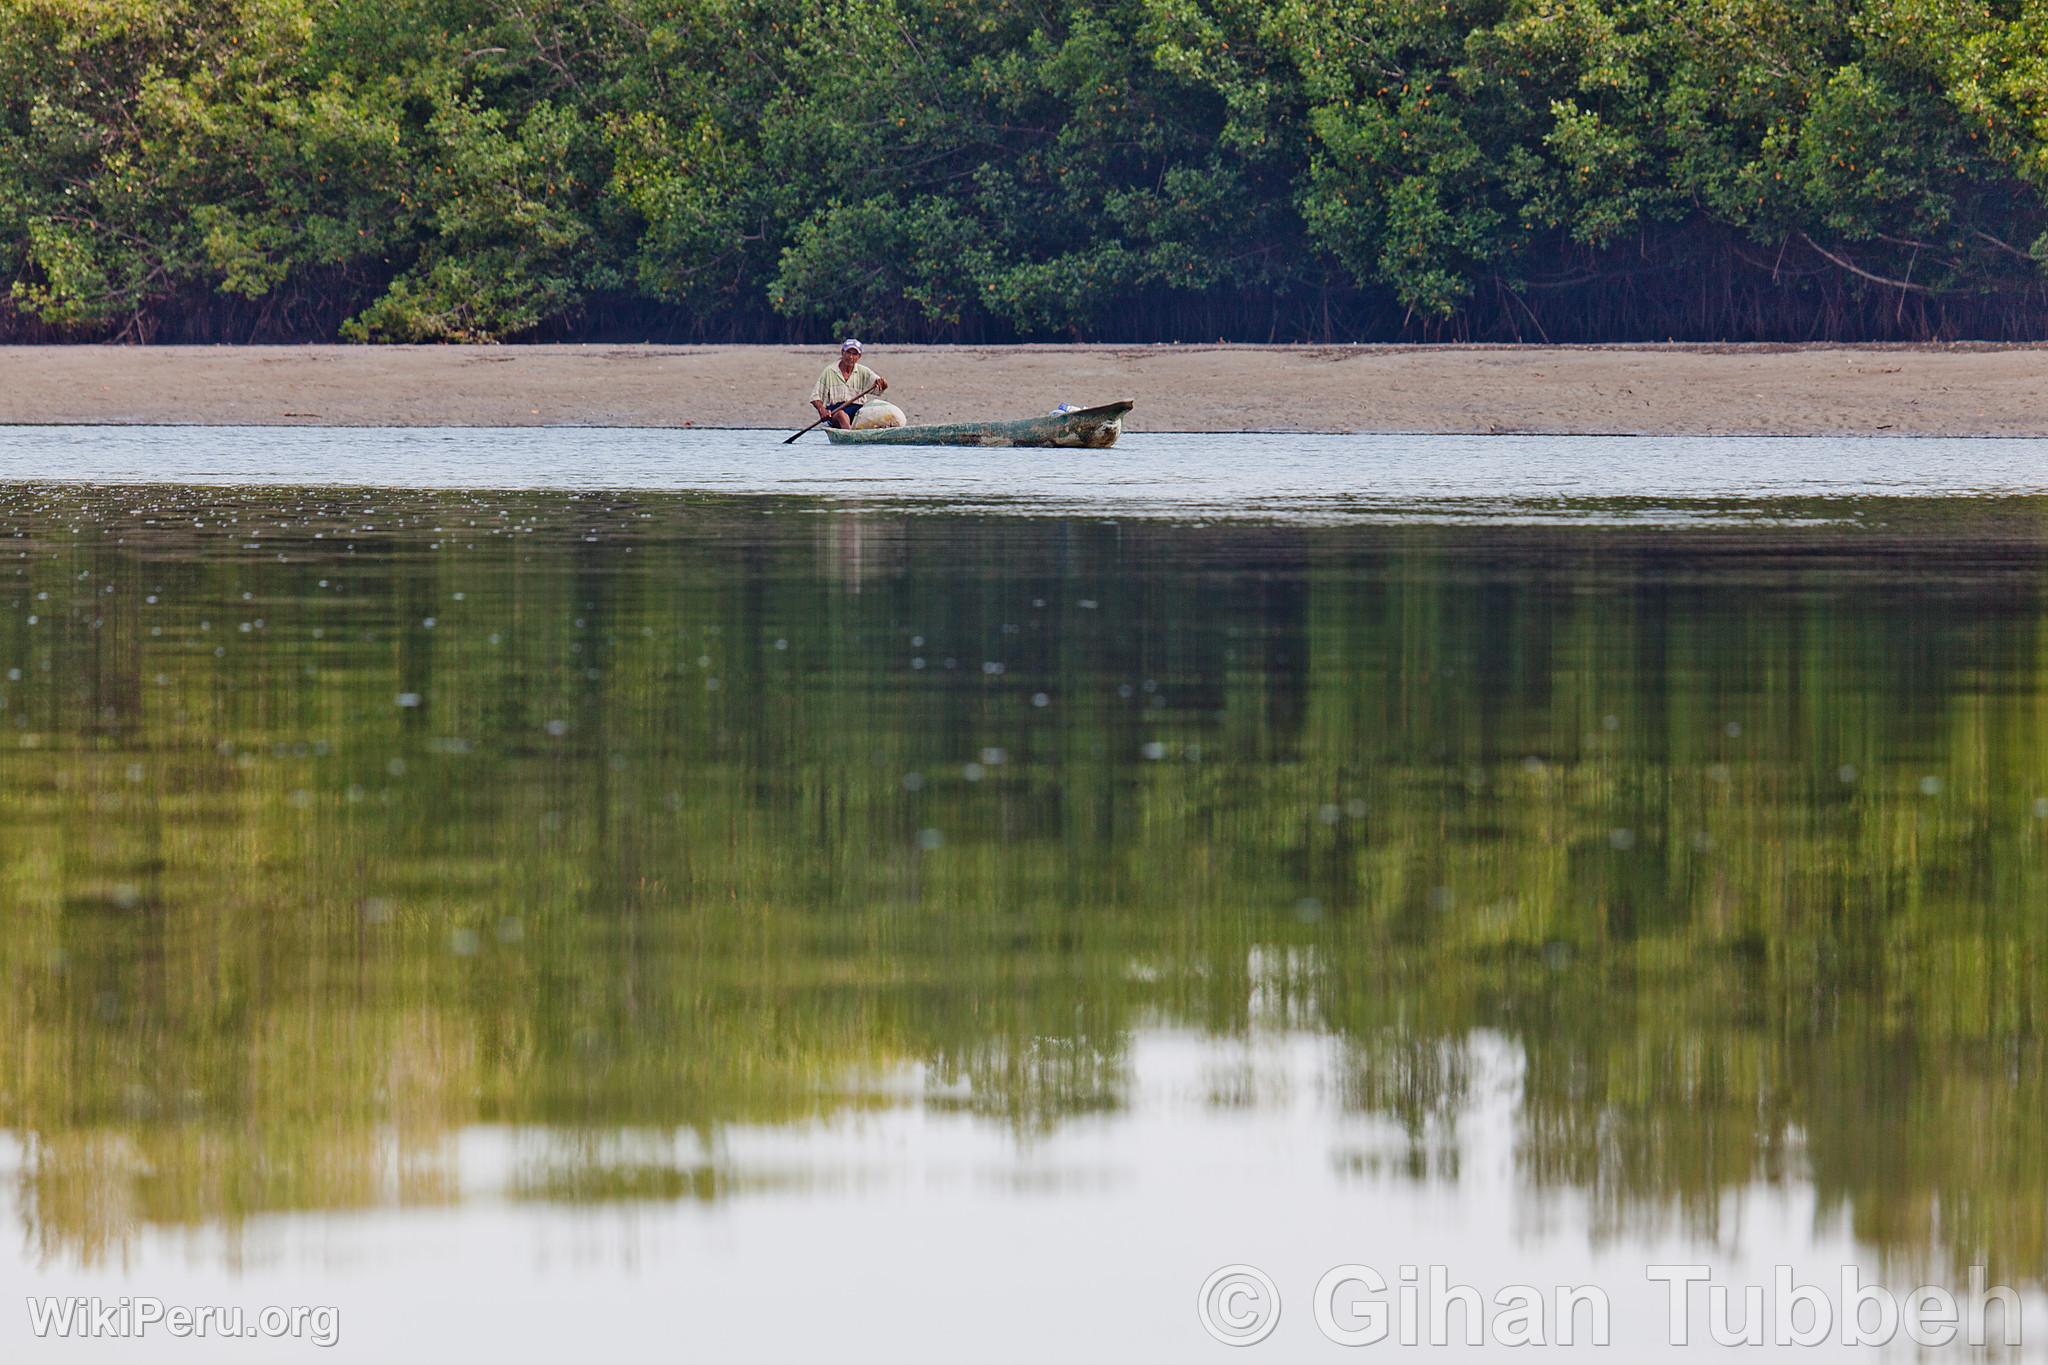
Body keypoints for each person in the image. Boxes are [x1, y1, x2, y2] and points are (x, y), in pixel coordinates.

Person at [809, 339, 887, 428]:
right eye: (848, 353)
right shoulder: (830, 371)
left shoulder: (863, 371)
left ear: (859, 356)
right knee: (841, 415)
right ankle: (850, 434)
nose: (850, 357)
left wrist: (883, 384)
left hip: (858, 410)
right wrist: (822, 410)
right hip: (836, 411)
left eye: (854, 354)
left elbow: (879, 386)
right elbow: (815, 397)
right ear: (842, 352)